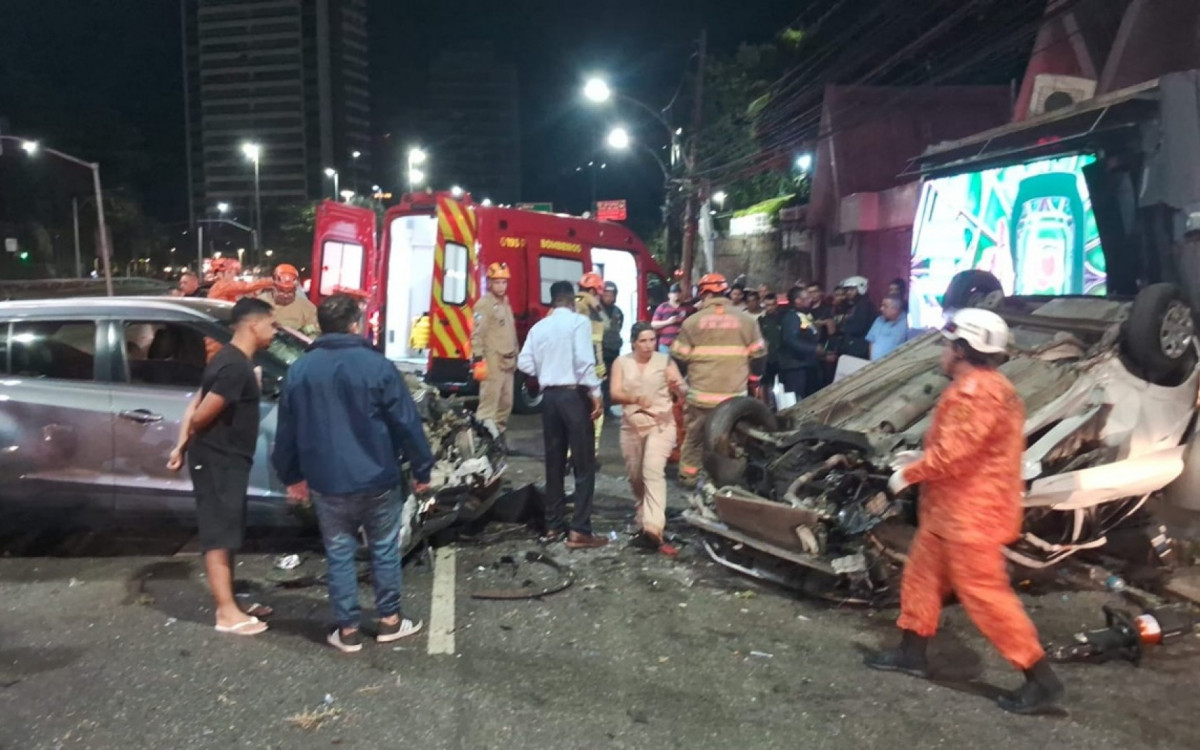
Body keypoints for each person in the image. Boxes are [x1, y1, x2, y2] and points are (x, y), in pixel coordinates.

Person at [866, 308, 1064, 715]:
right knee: (920, 579)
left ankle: (1040, 678)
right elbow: (965, 450)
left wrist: (907, 474)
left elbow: (952, 457)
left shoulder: (975, 392)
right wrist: (920, 457)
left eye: (946, 343)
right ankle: (912, 651)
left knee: (986, 598)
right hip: (952, 512)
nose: (942, 350)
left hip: (969, 517)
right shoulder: (991, 387)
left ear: (962, 348)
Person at [272, 293, 435, 654]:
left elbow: (287, 431)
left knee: (340, 551)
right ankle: (390, 620)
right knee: (383, 548)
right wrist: (422, 468)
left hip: (327, 482)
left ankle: (346, 630)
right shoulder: (378, 366)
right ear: (354, 324)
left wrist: (291, 476)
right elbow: (407, 422)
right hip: (376, 477)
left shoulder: (300, 369)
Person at [166, 298, 277, 636]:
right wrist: (187, 440)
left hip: (223, 460)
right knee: (218, 533)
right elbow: (201, 413)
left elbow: (194, 404)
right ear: (253, 325)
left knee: (228, 531)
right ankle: (226, 613)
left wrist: (180, 447)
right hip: (219, 461)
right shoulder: (234, 367)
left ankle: (231, 602)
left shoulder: (229, 360)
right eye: (271, 325)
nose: (273, 332)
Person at [519, 280, 609, 549]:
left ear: (553, 301)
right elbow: (584, 360)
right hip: (573, 396)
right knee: (583, 464)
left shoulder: (539, 327)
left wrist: (546, 371)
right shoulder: (578, 323)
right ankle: (580, 530)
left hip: (549, 399)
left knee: (554, 463)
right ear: (571, 301)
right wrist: (595, 393)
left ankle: (553, 526)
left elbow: (524, 362)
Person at [670, 273, 767, 488]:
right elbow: (759, 357)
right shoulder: (747, 321)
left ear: (704, 293)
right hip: (734, 399)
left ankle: (689, 477)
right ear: (725, 293)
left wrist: (682, 385)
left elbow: (678, 359)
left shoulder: (691, 322)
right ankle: (729, 481)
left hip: (701, 397)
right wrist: (753, 381)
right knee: (732, 439)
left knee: (694, 439)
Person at [610, 322, 686, 555]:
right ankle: (643, 514)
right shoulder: (622, 362)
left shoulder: (665, 362)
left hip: (660, 424)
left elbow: (682, 389)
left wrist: (678, 387)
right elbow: (614, 394)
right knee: (635, 476)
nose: (648, 345)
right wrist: (634, 398)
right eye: (643, 340)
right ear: (633, 342)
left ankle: (654, 527)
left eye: (652, 340)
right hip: (631, 426)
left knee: (652, 470)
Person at [471, 262, 519, 436]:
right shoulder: (484, 305)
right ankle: (481, 442)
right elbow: (477, 333)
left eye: (504, 282)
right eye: (497, 282)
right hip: (492, 362)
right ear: (489, 283)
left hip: (508, 362)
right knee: (488, 405)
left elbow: (510, 332)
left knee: (506, 404)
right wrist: (478, 359)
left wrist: (516, 355)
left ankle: (497, 440)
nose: (501, 286)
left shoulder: (505, 303)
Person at [576, 272, 610, 451]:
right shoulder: (592, 307)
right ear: (592, 290)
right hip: (590, 369)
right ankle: (591, 451)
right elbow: (596, 342)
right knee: (596, 411)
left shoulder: (570, 303)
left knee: (575, 413)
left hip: (570, 371)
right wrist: (601, 370)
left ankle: (569, 454)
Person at [779, 287, 822, 398]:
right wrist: (813, 349)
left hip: (807, 365)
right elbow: (791, 340)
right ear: (798, 300)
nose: (810, 299)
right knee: (797, 399)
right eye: (806, 297)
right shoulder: (792, 317)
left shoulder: (805, 315)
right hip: (796, 367)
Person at [260, 263, 318, 336]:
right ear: (273, 287)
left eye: (290, 292)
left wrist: (301, 332)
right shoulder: (259, 302)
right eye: (281, 291)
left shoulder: (307, 308)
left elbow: (314, 331)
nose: (285, 296)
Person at [600, 280, 625, 415]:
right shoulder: (596, 310)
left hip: (613, 350)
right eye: (606, 294)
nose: (608, 297)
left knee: (610, 379)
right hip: (599, 351)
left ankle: (607, 406)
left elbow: (618, 328)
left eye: (611, 294)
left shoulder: (617, 312)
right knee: (599, 379)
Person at [837, 276, 876, 360]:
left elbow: (858, 328)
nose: (848, 292)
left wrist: (843, 326)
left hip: (859, 349)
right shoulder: (854, 305)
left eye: (852, 289)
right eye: (847, 290)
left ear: (860, 289)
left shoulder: (864, 306)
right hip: (852, 347)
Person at [207, 258, 274, 304]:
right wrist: (272, 280)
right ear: (219, 274)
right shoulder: (223, 285)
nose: (233, 275)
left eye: (235, 272)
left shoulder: (218, 286)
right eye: (229, 272)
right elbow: (247, 287)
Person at [758, 293, 783, 407]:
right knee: (765, 384)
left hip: (780, 358)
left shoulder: (782, 319)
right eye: (768, 305)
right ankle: (766, 407)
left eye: (772, 305)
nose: (770, 307)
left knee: (780, 386)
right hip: (767, 358)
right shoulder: (761, 321)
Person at [866, 295, 909, 361]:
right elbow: (872, 341)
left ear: (895, 309)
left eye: (885, 306)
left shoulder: (907, 323)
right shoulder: (878, 320)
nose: (881, 308)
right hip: (875, 366)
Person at [651, 283, 688, 354]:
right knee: (666, 364)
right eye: (674, 293)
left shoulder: (687, 307)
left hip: (682, 344)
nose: (676, 294)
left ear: (681, 294)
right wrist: (668, 322)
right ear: (669, 295)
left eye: (678, 292)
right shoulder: (662, 307)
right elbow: (653, 324)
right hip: (666, 345)